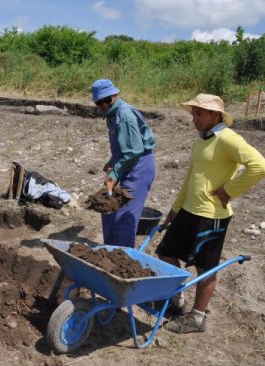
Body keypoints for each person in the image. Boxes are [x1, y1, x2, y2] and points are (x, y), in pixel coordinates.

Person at [156, 94, 265, 333]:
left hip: (211, 215)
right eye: (193, 113)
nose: (194, 118)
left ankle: (197, 318)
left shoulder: (228, 139)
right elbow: (190, 180)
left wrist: (229, 190)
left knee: (204, 267)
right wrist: (175, 209)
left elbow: (259, 165)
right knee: (166, 253)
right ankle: (176, 302)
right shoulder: (200, 142)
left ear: (216, 115)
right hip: (188, 211)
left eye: (199, 114)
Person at [91, 79, 156, 247]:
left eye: (107, 100)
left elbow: (134, 150)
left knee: (123, 217)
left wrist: (114, 173)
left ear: (115, 94)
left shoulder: (125, 114)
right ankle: (110, 251)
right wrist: (112, 162)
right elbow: (124, 146)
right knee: (108, 208)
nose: (104, 104)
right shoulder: (112, 115)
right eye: (99, 102)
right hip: (126, 163)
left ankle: (122, 258)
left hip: (138, 168)